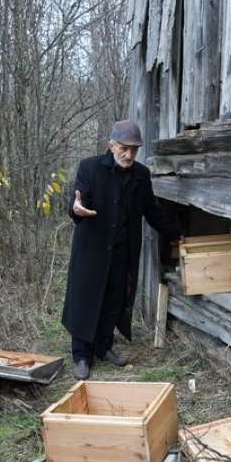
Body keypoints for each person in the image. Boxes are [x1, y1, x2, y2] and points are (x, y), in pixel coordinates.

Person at [62, 120, 181, 380]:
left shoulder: (141, 174)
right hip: (92, 251)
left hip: (123, 251)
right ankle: (81, 355)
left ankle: (103, 347)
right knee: (86, 300)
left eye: (134, 149)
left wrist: (177, 234)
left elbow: (152, 211)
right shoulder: (90, 168)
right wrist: (76, 210)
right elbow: (76, 203)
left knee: (113, 300)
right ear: (111, 145)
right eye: (124, 148)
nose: (129, 154)